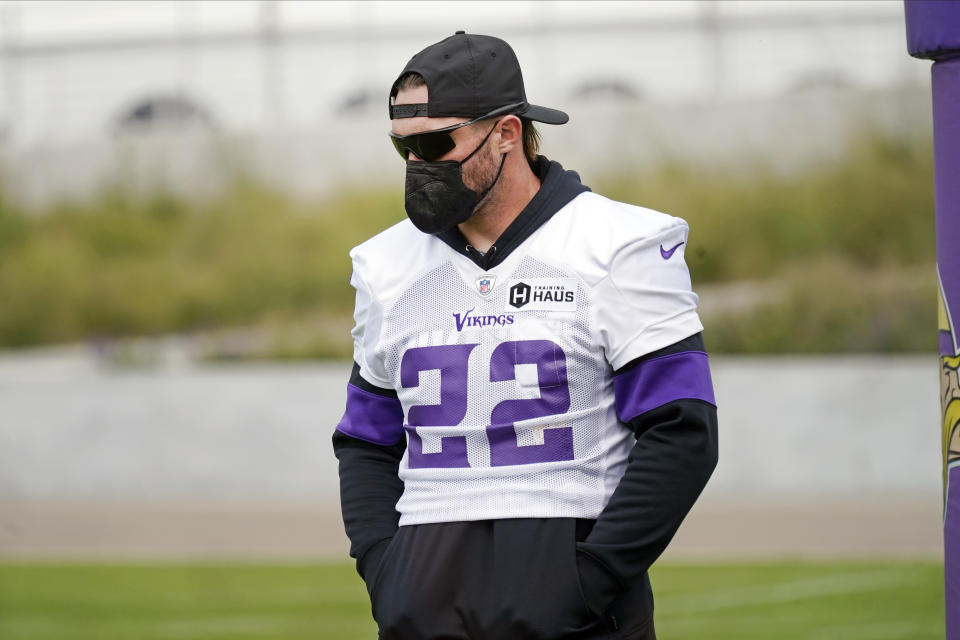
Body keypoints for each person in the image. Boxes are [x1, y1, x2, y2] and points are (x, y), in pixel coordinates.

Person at [333, 31, 718, 640]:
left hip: (575, 599)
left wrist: (591, 575)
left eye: (435, 142)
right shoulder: (386, 266)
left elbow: (682, 432)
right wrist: (387, 570)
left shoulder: (618, 244)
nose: (416, 164)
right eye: (402, 146)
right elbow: (363, 441)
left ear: (507, 133)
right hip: (425, 600)